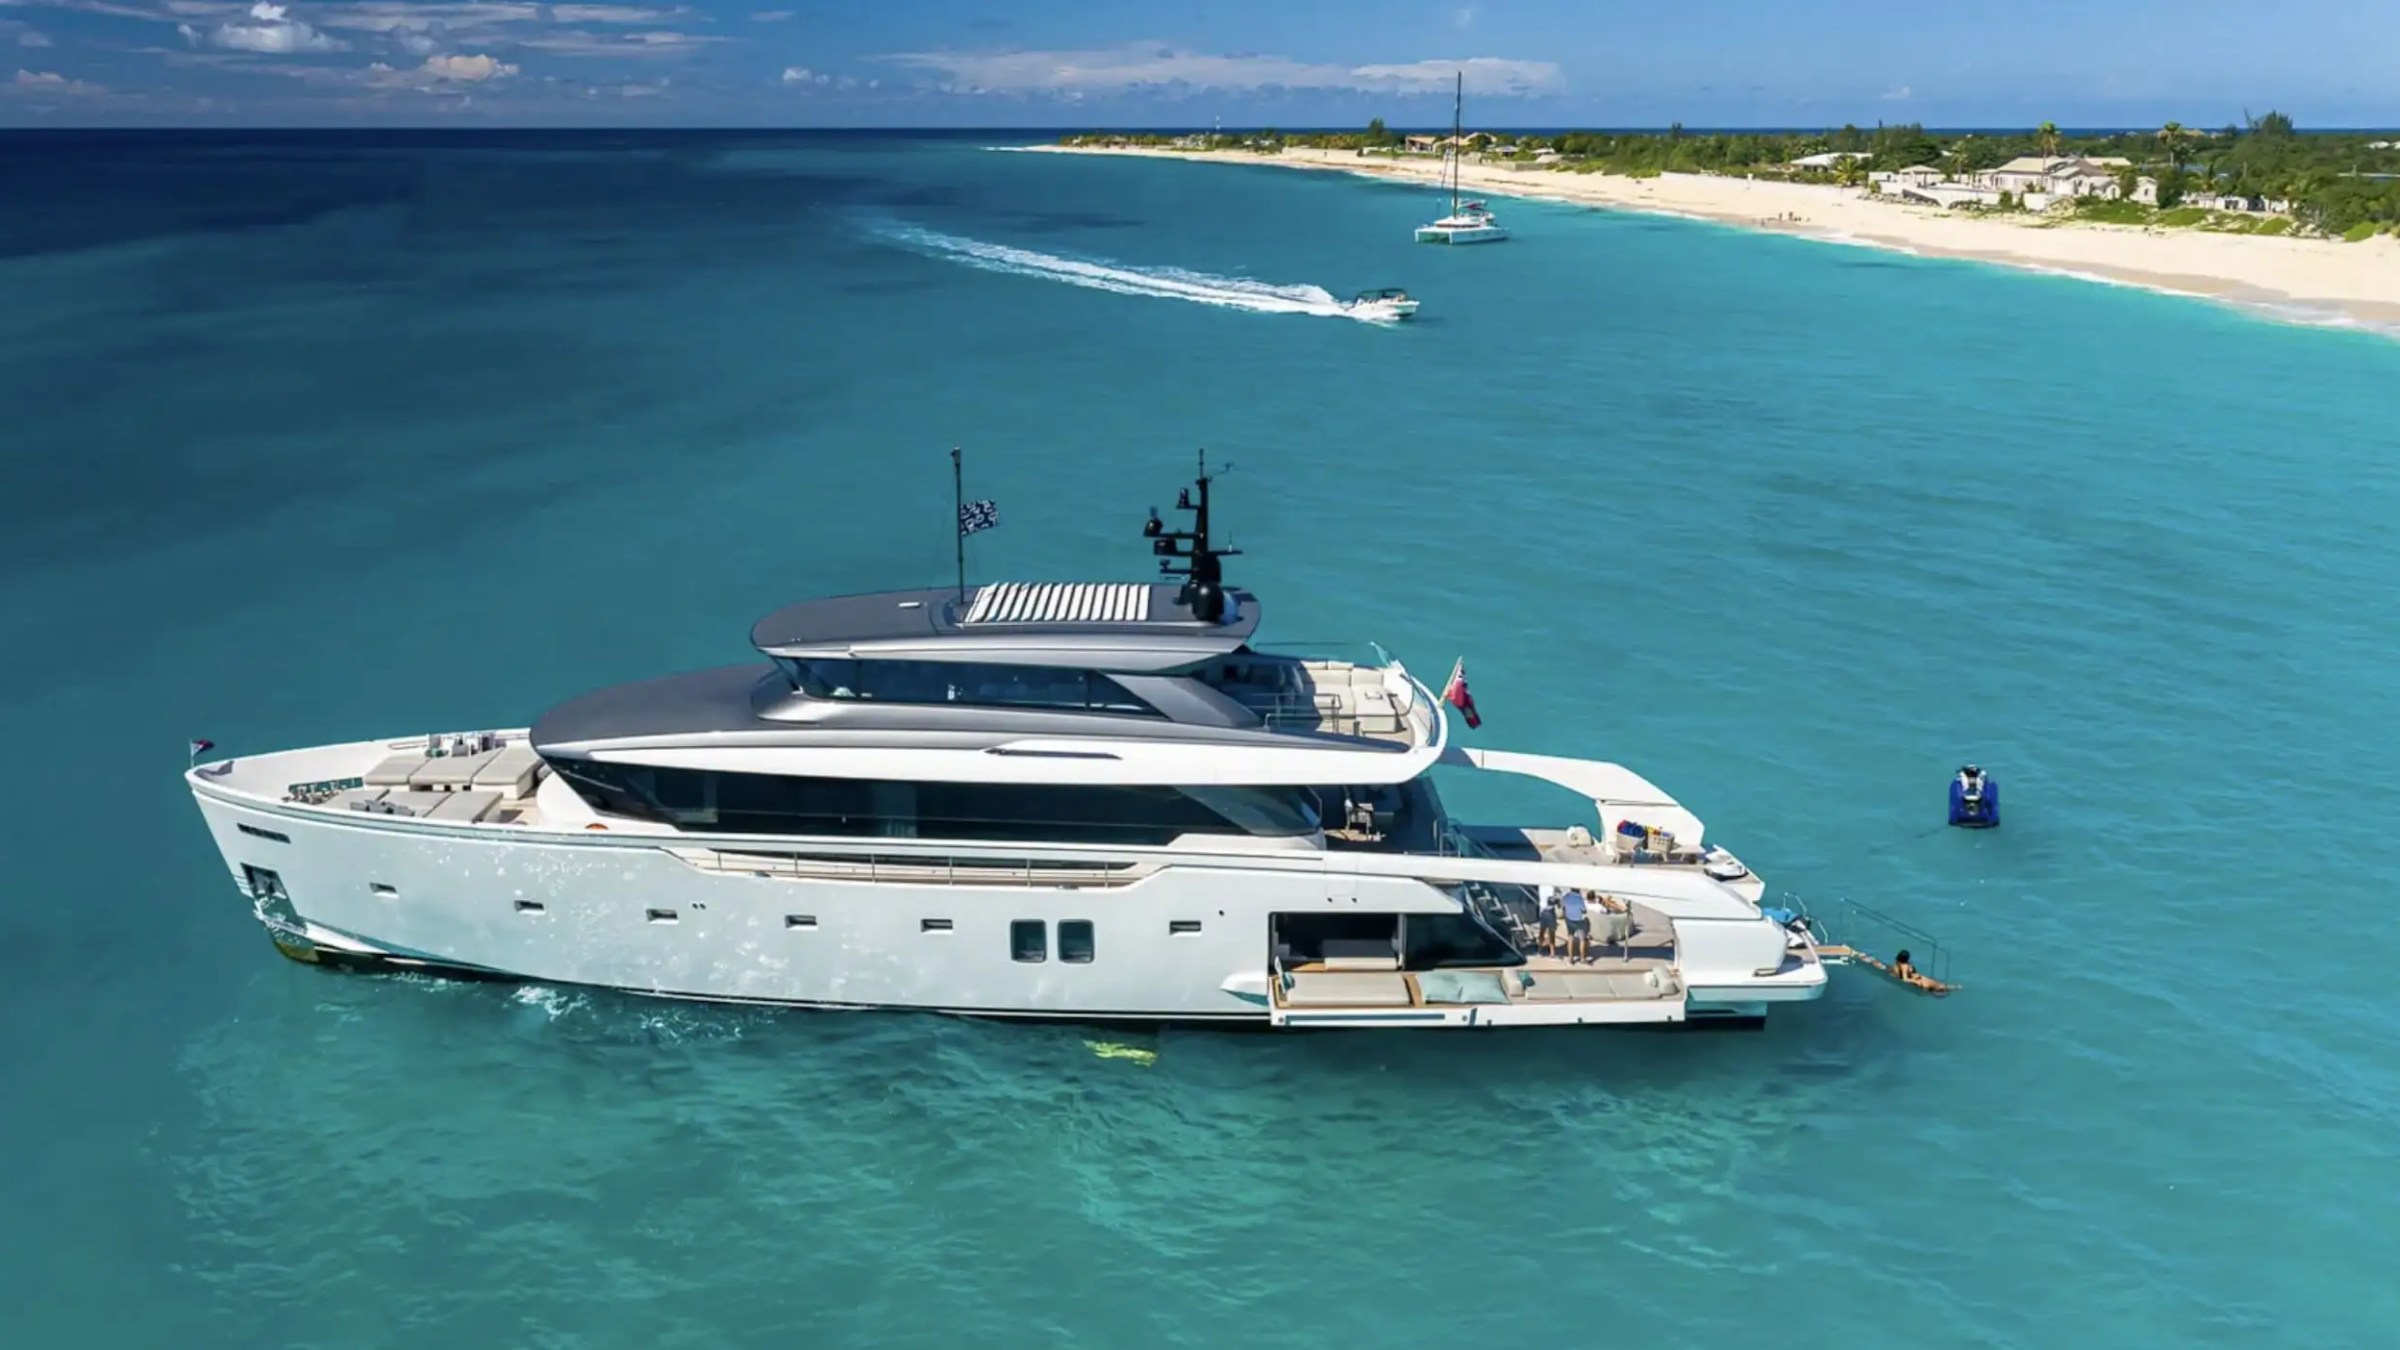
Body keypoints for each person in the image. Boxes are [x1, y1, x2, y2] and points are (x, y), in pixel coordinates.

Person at [1560, 887, 1591, 964]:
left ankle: (1570, 958)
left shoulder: (1566, 897)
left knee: (1570, 938)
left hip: (1569, 919)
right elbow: (1584, 910)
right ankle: (1582, 959)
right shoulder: (1579, 898)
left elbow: (1563, 908)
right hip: (1579, 920)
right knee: (1582, 940)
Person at [1534, 885, 1561, 958]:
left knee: (1542, 931)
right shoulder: (1552, 886)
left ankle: (1540, 950)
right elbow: (1556, 900)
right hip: (1550, 911)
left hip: (1542, 911)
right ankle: (1552, 952)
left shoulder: (1540, 886)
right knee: (1551, 932)